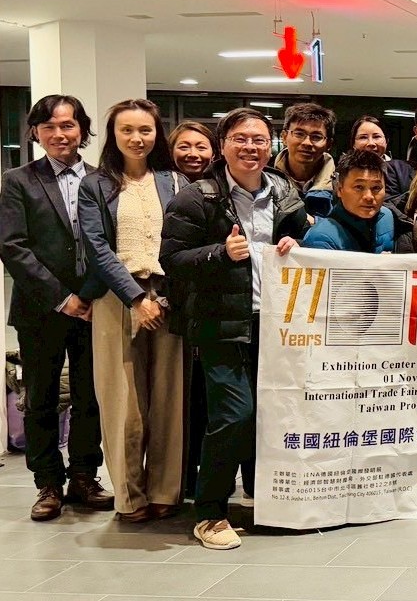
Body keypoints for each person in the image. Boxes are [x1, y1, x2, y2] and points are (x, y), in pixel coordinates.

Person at [160, 108, 309, 550]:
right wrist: (219, 254)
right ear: (222, 145)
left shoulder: (285, 192)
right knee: (233, 415)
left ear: (271, 145)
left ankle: (263, 500)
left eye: (259, 140)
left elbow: (303, 241)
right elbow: (172, 261)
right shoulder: (196, 198)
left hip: (275, 325)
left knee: (271, 415)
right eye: (240, 139)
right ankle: (210, 512)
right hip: (220, 326)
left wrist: (298, 243)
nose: (250, 147)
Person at [0, 95, 114, 521]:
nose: (59, 134)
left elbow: (111, 243)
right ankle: (47, 483)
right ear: (35, 132)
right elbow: (12, 246)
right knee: (41, 399)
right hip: (40, 309)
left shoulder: (104, 180)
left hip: (96, 306)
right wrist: (63, 298)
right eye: (48, 126)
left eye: (67, 125)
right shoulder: (18, 180)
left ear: (82, 129)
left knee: (90, 395)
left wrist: (89, 294)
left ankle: (84, 476)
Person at [77, 99, 185, 522]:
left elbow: (181, 241)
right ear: (113, 135)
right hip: (116, 297)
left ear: (157, 134)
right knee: (123, 401)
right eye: (127, 130)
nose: (137, 138)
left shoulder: (173, 181)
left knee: (168, 397)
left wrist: (161, 296)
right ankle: (129, 495)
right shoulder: (95, 184)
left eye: (145, 130)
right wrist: (136, 299)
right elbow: (96, 246)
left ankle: (164, 490)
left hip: (168, 295)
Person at [166, 119, 216, 496]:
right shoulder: (162, 187)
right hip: (169, 303)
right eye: (185, 146)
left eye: (201, 146)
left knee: (203, 398)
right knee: (175, 401)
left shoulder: (221, 190)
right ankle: (176, 478)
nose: (193, 154)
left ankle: (198, 475)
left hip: (210, 306)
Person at [301, 149, 404, 253]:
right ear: (339, 190)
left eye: (376, 188)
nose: (369, 197)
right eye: (359, 187)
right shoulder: (320, 237)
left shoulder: (387, 217)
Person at [272, 102, 336, 200]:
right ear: (284, 137)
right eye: (299, 134)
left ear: (329, 144)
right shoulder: (266, 181)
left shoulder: (341, 185)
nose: (307, 143)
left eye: (316, 137)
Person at [350, 114, 417, 199]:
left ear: (386, 141)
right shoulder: (345, 173)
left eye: (376, 137)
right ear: (353, 144)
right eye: (363, 137)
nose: (371, 143)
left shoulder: (405, 171)